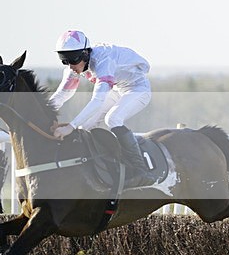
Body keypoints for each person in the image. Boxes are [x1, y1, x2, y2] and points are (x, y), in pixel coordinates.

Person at [50, 29, 157, 187]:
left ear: (85, 54)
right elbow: (61, 96)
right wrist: (44, 114)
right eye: (64, 60)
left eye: (72, 59)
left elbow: (98, 100)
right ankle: (98, 167)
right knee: (84, 127)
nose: (70, 66)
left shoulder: (103, 61)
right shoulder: (75, 66)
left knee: (112, 118)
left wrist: (70, 127)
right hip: (116, 89)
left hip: (137, 89)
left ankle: (141, 169)